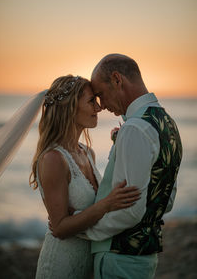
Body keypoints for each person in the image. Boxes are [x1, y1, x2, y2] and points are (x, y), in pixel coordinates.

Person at [29, 75, 140, 279]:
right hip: (61, 264)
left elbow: (94, 207)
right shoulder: (53, 159)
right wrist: (106, 204)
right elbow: (60, 228)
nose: (98, 109)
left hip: (88, 262)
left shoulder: (87, 152)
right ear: (69, 108)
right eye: (91, 101)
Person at [82, 54, 183, 279]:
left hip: (118, 257)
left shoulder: (135, 129)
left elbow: (130, 212)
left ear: (117, 79)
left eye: (100, 95)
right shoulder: (167, 123)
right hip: (145, 258)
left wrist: (82, 230)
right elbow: (167, 200)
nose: (101, 105)